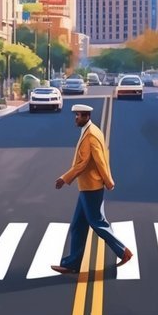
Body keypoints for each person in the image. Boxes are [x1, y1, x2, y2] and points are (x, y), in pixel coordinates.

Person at [51, 104, 133, 275]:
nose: (75, 118)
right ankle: (72, 264)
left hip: (92, 187)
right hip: (87, 187)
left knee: (97, 223)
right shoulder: (90, 130)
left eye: (78, 115)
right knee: (78, 226)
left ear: (86, 116)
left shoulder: (91, 135)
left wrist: (64, 178)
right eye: (76, 115)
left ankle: (123, 252)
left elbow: (91, 162)